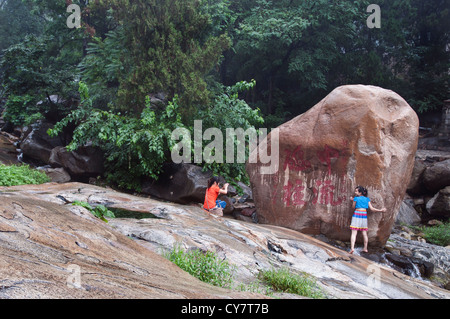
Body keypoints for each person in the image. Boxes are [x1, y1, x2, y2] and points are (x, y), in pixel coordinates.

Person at [349, 186, 386, 254]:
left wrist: (353, 201)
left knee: (354, 233)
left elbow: (353, 207)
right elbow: (372, 209)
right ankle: (365, 248)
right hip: (364, 215)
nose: (355, 192)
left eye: (356, 191)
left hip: (357, 214)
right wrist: (381, 210)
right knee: (364, 233)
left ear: (360, 193)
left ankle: (352, 248)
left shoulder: (356, 198)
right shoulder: (367, 199)